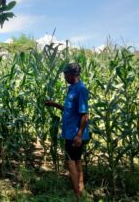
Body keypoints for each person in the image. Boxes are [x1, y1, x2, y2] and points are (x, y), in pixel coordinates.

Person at [44, 62, 89, 198]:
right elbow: (70, 110)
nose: (64, 76)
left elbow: (85, 114)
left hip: (75, 134)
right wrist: (55, 104)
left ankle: (76, 195)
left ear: (72, 74)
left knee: (70, 162)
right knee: (77, 160)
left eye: (65, 74)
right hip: (71, 132)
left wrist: (79, 134)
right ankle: (81, 191)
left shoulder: (80, 89)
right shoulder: (72, 88)